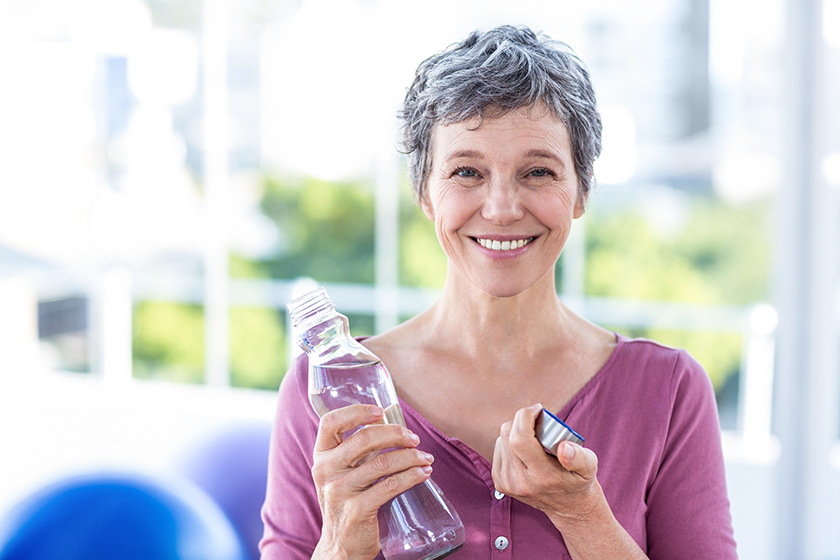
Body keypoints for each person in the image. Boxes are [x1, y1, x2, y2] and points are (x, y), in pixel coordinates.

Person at [260, 25, 737, 560]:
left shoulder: (668, 392)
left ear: (581, 190)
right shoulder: (325, 392)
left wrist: (583, 516)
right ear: (424, 192)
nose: (503, 207)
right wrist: (342, 544)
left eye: (538, 172)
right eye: (467, 171)